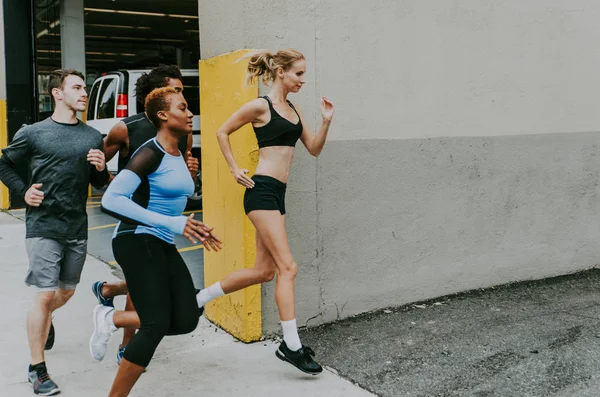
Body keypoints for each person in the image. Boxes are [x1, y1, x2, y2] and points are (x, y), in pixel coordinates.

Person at [198, 48, 334, 375]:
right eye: (298, 73)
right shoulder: (262, 105)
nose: (303, 79)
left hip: (278, 194)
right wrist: (233, 169)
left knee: (265, 272)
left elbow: (313, 148)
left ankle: (198, 299)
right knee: (289, 267)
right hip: (261, 191)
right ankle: (291, 345)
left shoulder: (293, 109)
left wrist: (326, 121)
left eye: (304, 73)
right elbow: (221, 131)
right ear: (281, 72)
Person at [99, 86, 222, 397]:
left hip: (160, 241)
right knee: (154, 324)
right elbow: (112, 199)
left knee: (185, 318)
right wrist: (173, 222)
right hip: (136, 239)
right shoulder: (149, 152)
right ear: (163, 115)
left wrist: (193, 217)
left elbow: (177, 195)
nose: (190, 112)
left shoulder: (180, 152)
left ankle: (111, 318)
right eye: (183, 108)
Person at [0, 69, 109, 395]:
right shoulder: (33, 133)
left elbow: (98, 185)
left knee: (66, 293)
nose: (84, 92)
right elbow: (3, 163)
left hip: (76, 225)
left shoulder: (92, 136)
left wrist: (101, 170)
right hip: (42, 225)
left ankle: (45, 319)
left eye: (84, 88)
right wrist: (23, 191)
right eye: (77, 87)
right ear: (57, 94)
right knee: (45, 294)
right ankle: (38, 370)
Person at [90, 65, 200, 365]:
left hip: (163, 231)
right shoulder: (126, 128)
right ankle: (126, 342)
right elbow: (100, 175)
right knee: (147, 296)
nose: (183, 98)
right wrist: (110, 178)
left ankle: (109, 298)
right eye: (176, 91)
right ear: (158, 95)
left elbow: (182, 179)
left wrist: (193, 173)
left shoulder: (182, 134)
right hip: (135, 225)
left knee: (155, 294)